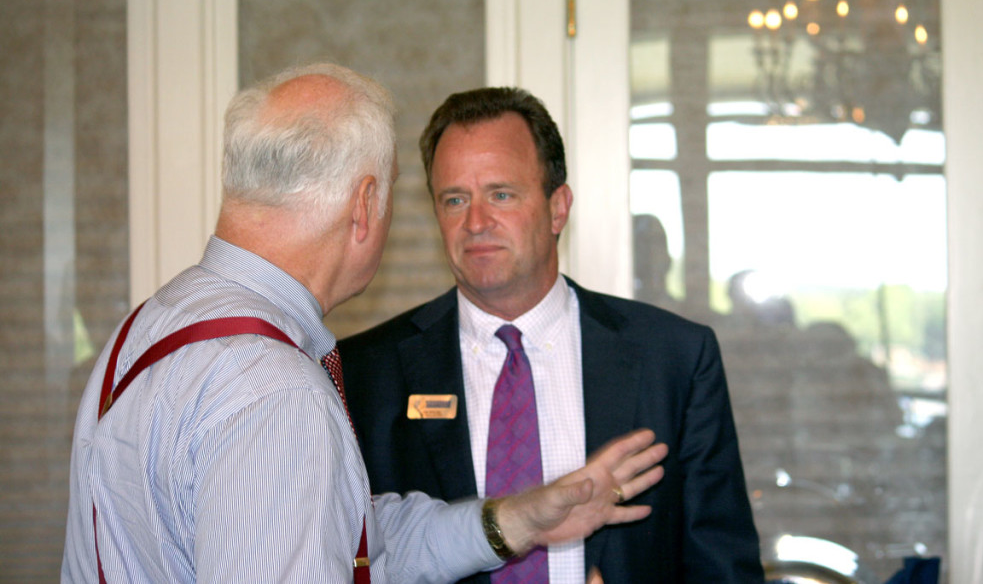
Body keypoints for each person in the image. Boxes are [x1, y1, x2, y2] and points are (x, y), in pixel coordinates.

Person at [61, 65, 668, 583]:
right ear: (364, 204)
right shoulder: (276, 393)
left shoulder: (149, 328)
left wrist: (515, 518)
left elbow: (350, 542)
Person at [340, 87, 765, 583]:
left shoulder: (672, 359)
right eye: (455, 199)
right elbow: (346, 560)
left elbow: (724, 569)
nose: (476, 222)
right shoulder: (367, 373)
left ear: (558, 207)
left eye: (501, 194)